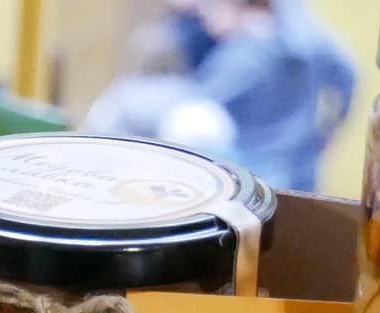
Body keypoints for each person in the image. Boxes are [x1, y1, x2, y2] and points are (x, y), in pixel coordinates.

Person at [87, 0, 356, 192]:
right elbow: (349, 75)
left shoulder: (251, 52)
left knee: (184, 119)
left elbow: (196, 98)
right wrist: (327, 133)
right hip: (299, 177)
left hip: (253, 180)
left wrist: (127, 98)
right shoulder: (308, 36)